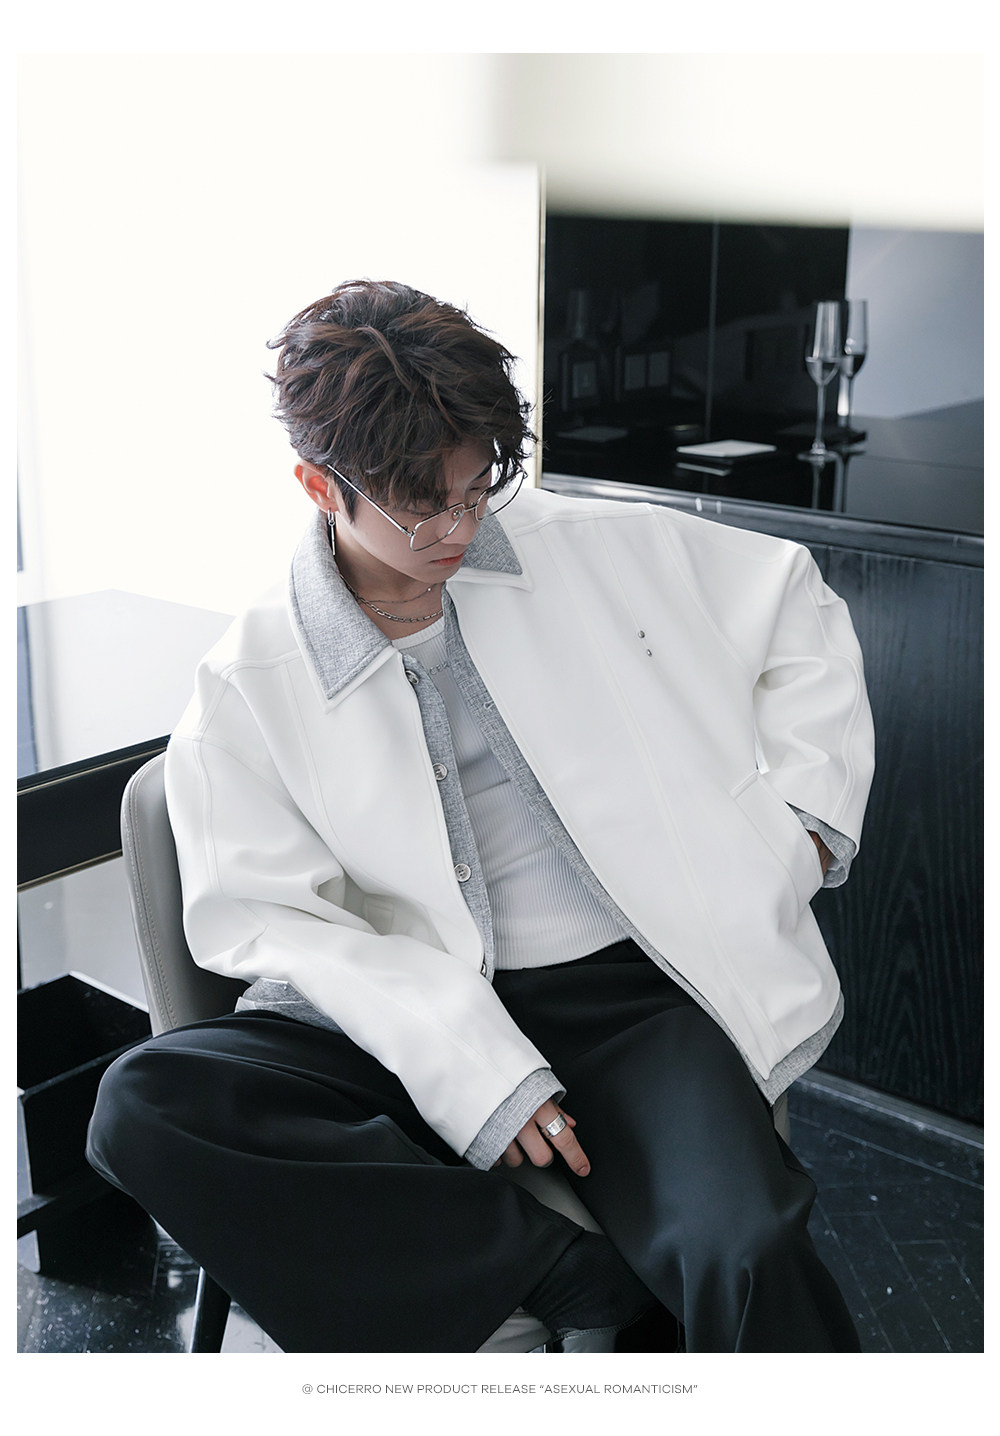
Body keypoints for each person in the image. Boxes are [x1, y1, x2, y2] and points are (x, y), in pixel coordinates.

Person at [87, 278, 875, 1354]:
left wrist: (805, 824)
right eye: (424, 504)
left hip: (624, 993)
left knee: (746, 1249)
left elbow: (794, 599)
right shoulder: (250, 677)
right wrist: (467, 1064)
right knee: (144, 1102)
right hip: (402, 1003)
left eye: (477, 484)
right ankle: (569, 1273)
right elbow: (269, 918)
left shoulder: (581, 546)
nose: (460, 525)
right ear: (318, 484)